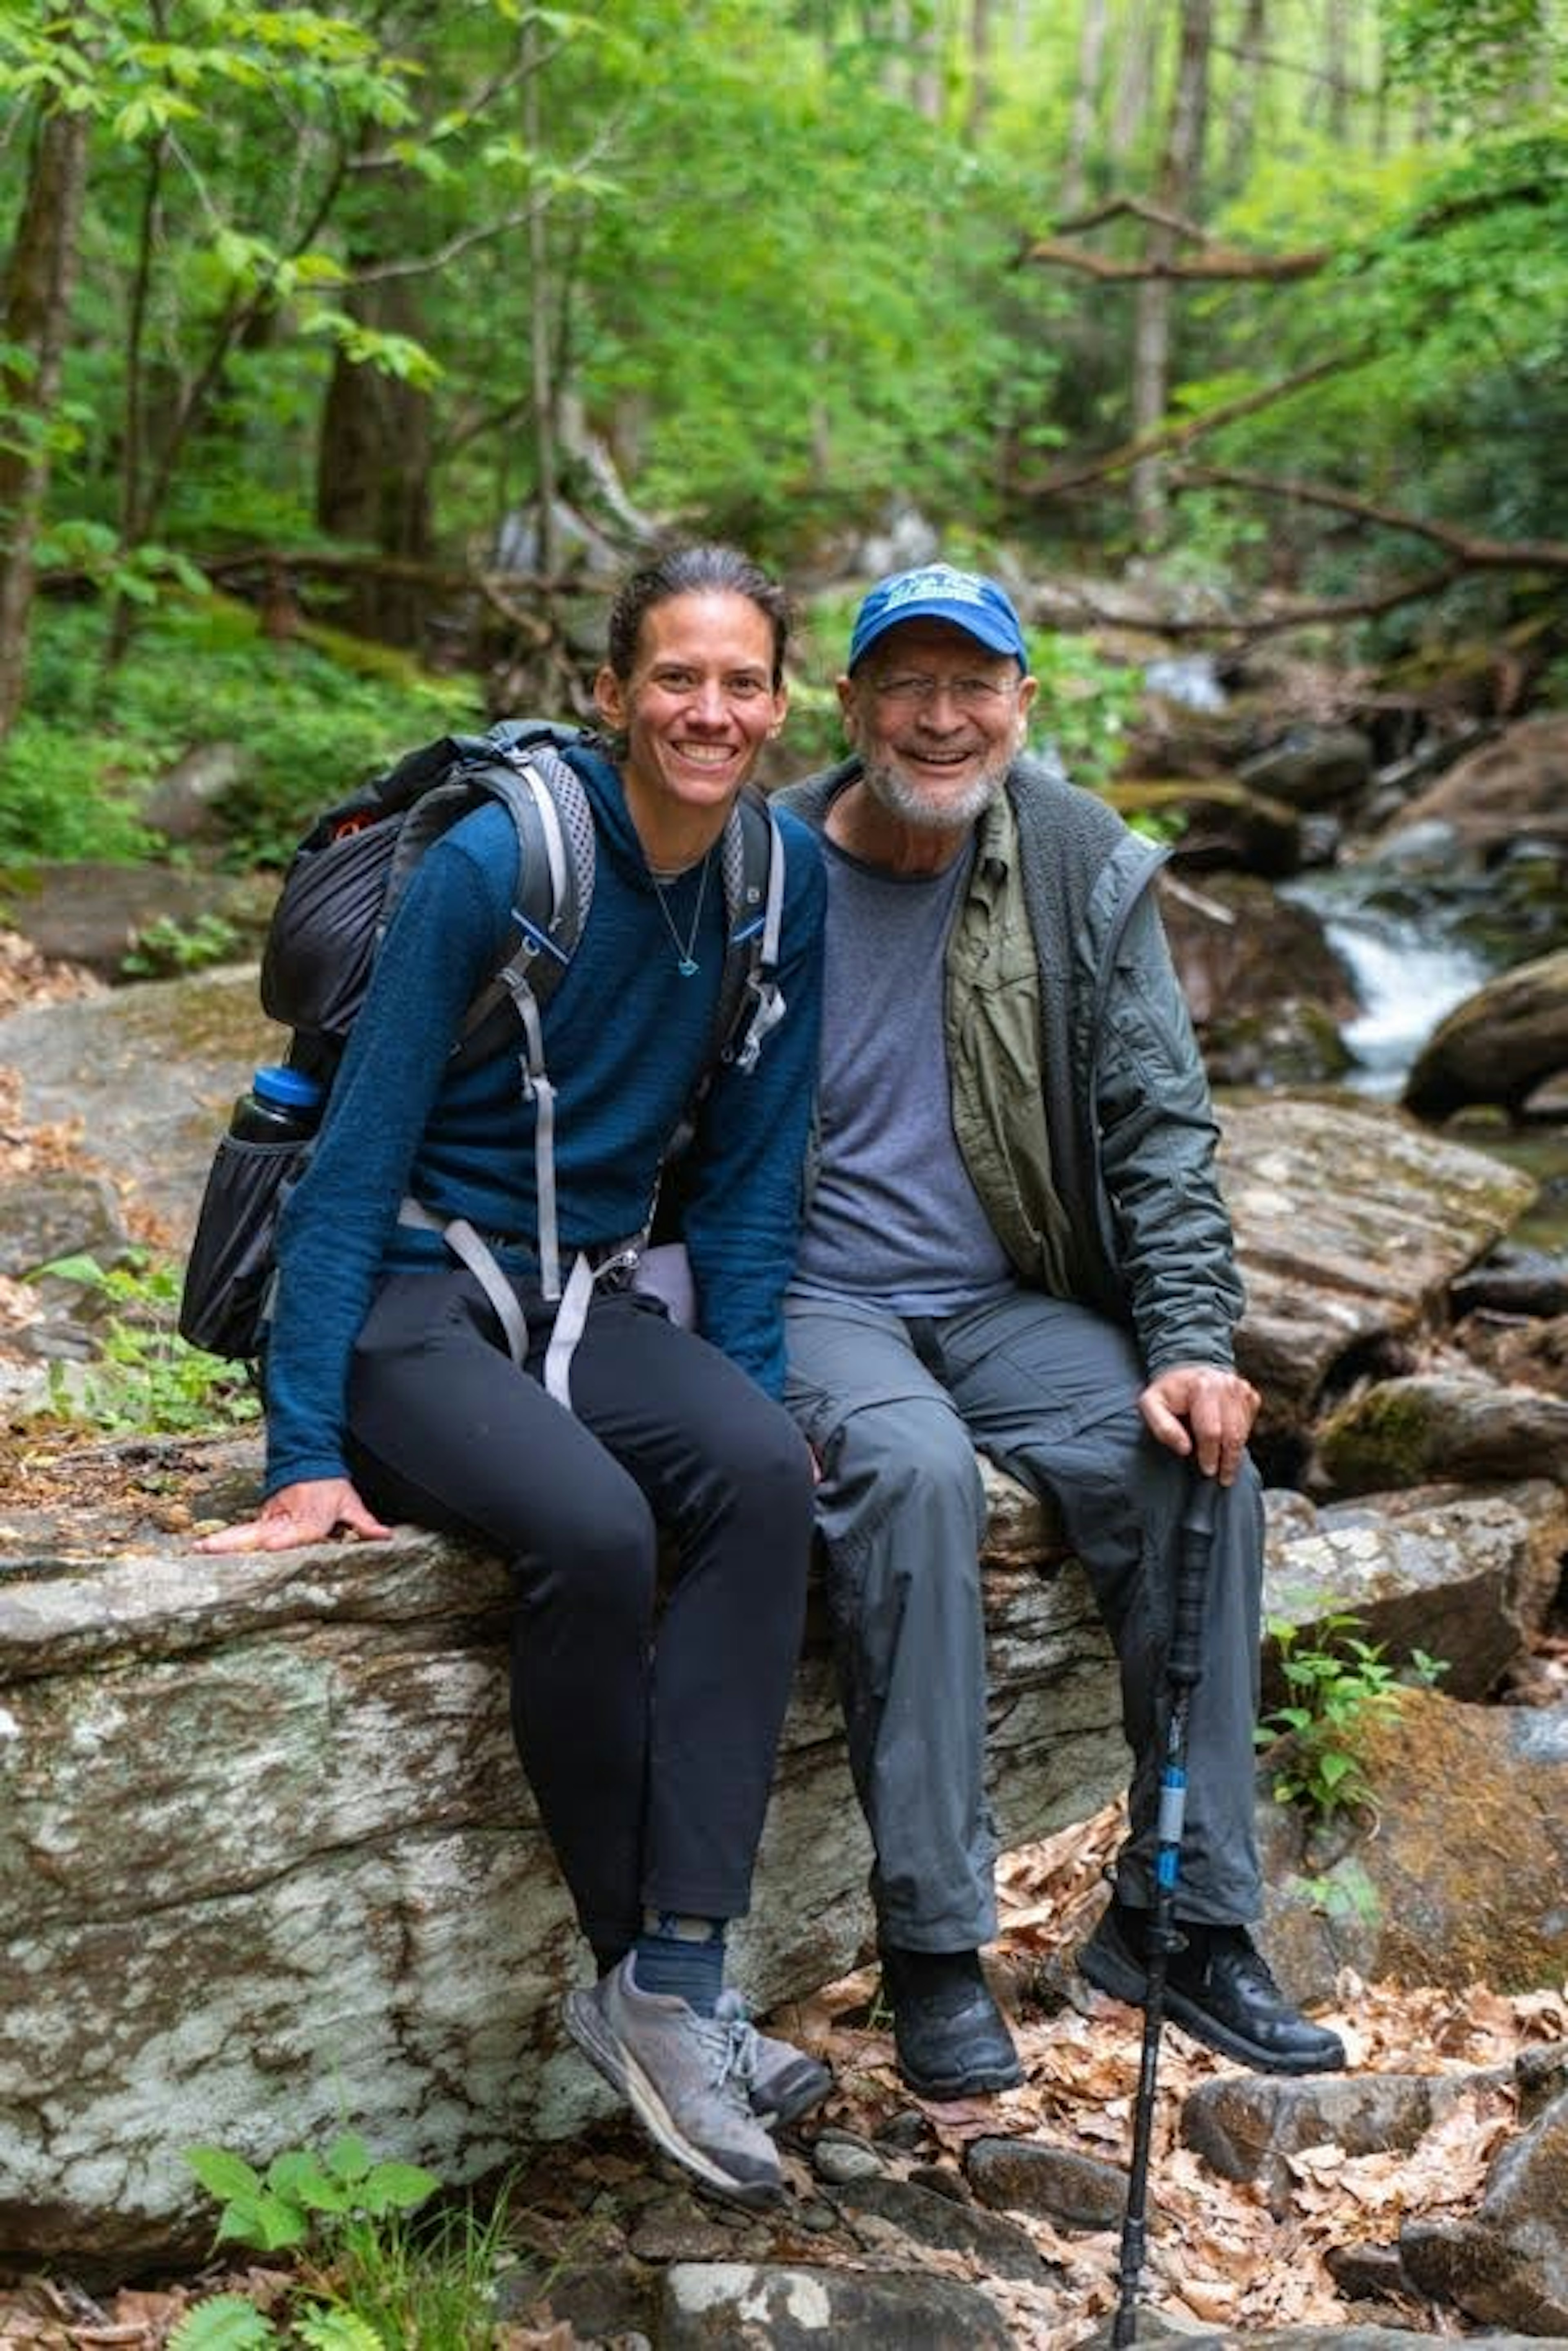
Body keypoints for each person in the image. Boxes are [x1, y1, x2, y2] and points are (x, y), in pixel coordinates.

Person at [198, 544, 831, 2208]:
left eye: (743, 682)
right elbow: (352, 1159)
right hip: (407, 1293)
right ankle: (653, 1991)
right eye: (677, 679)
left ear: (781, 702)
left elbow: (757, 1183)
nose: (711, 710)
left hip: (583, 1296)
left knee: (762, 1481)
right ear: (613, 694)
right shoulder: (503, 861)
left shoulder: (782, 883)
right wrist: (302, 1452)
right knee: (598, 1534)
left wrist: (750, 1386)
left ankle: (681, 1973)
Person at [777, 561, 1347, 2101]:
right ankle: (936, 1953)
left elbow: (1159, 1123)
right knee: (911, 1479)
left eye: (976, 686)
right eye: (909, 684)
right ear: (852, 707)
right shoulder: (756, 868)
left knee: (1191, 1464)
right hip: (812, 1303)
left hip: (1008, 1296)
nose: (943, 717)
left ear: (1026, 703)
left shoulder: (1082, 859)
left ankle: (1183, 1917)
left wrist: (1192, 1339)